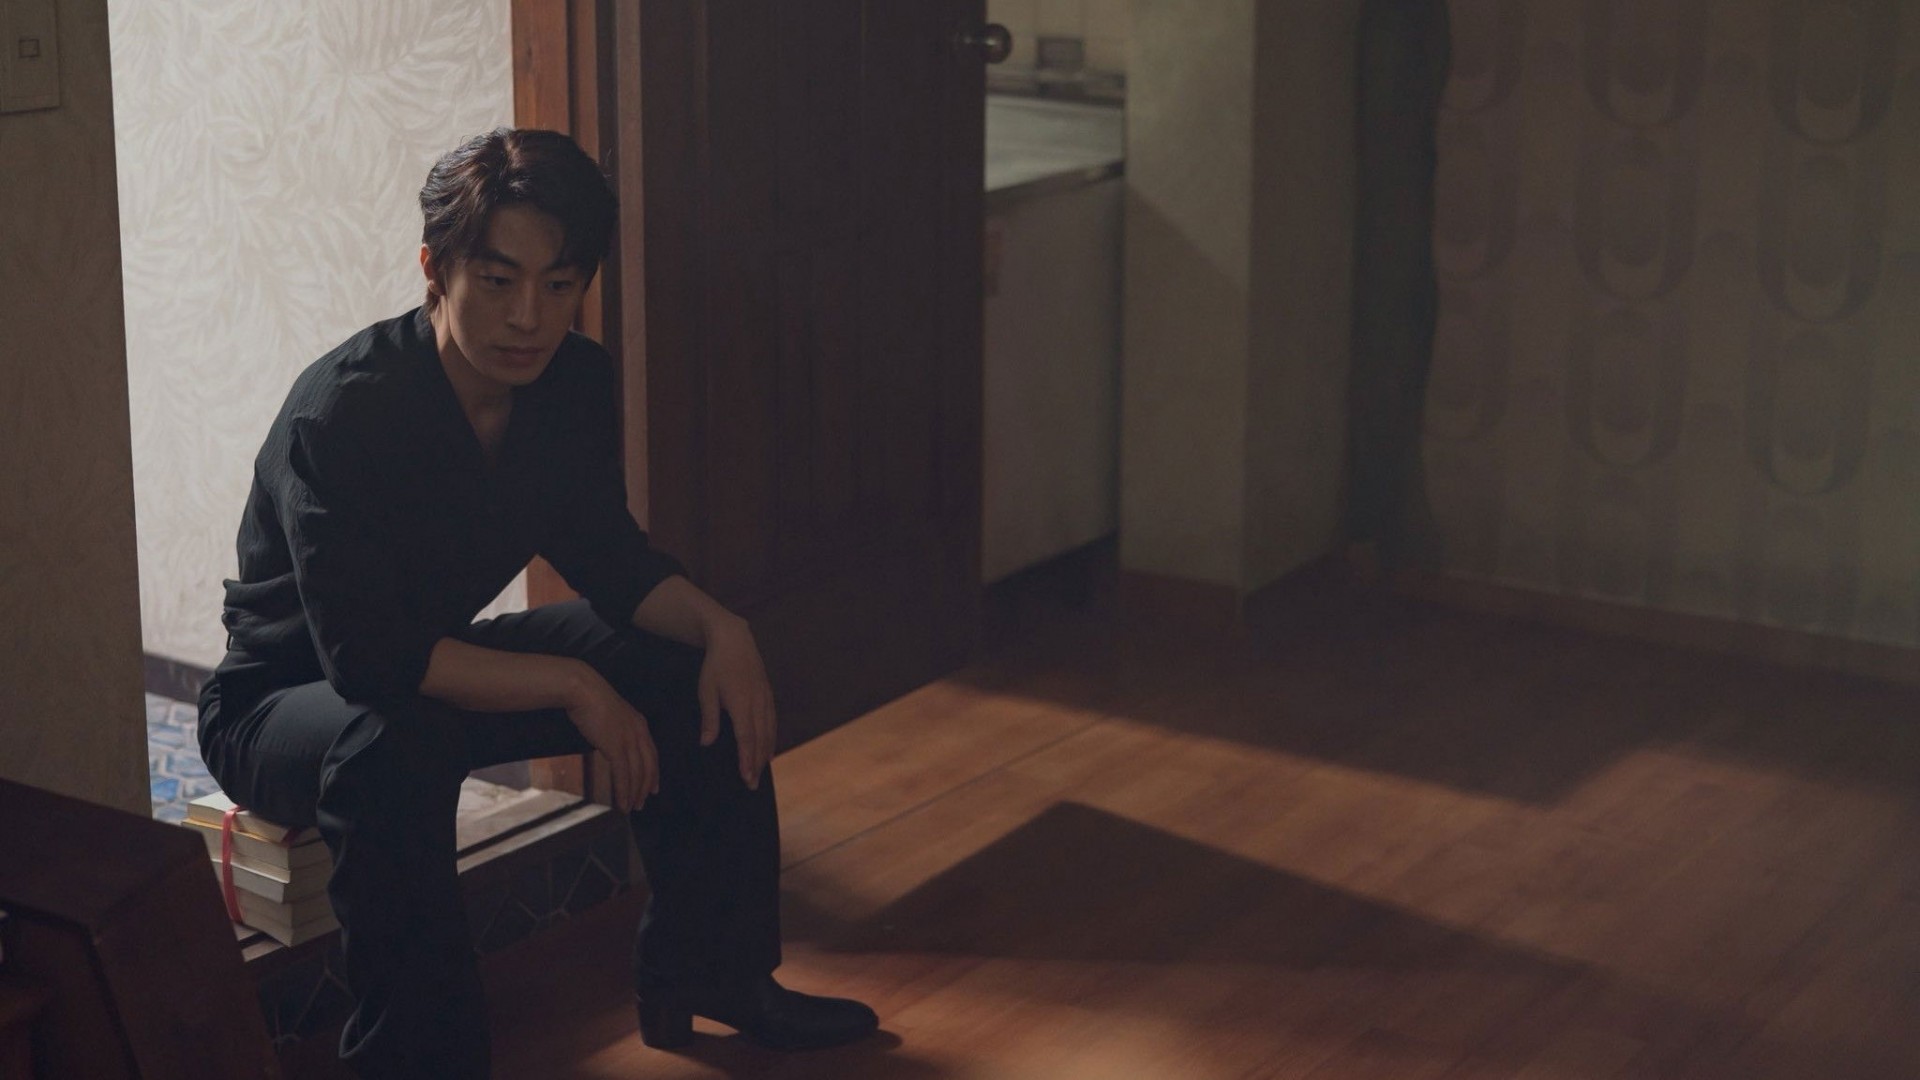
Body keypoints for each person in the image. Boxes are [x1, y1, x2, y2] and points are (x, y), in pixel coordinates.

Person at [196, 127, 878, 1078]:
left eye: (560, 285)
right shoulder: (344, 413)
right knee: (388, 742)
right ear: (434, 270)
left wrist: (726, 629)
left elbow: (612, 560)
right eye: (498, 280)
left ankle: (715, 973)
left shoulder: (571, 381)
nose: (529, 318)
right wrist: (572, 685)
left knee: (684, 660)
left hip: (431, 670)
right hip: (282, 704)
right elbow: (368, 661)